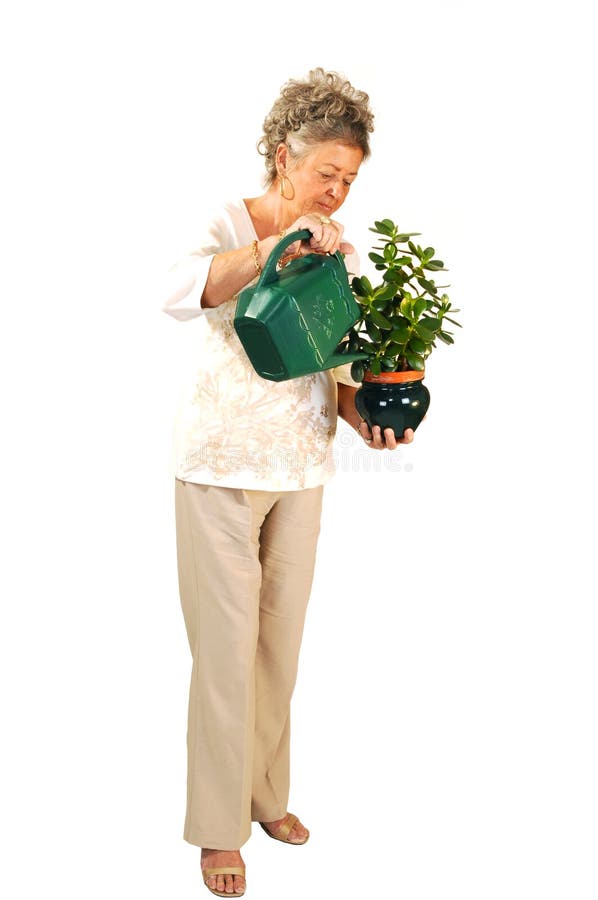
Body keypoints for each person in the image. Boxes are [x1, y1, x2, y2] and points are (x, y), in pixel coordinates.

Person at [161, 68, 414, 897]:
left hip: (301, 469)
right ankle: (216, 825)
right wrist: (278, 244)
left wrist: (367, 417)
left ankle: (266, 794)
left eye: (349, 179)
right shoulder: (227, 221)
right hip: (220, 469)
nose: (338, 193)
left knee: (277, 646)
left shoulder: (340, 247)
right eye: (326, 174)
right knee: (224, 652)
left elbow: (334, 361)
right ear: (283, 158)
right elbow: (178, 291)